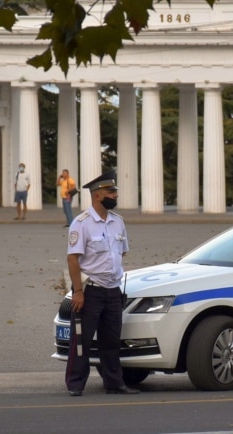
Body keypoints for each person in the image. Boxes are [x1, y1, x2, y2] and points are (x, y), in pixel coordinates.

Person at [64, 170, 138, 397]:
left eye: (114, 191)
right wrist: (78, 291)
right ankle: (76, 384)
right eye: (111, 192)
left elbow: (121, 253)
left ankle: (114, 384)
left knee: (111, 341)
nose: (115, 195)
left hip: (113, 290)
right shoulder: (81, 223)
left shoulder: (118, 222)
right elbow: (73, 259)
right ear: (97, 195)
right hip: (91, 291)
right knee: (82, 342)